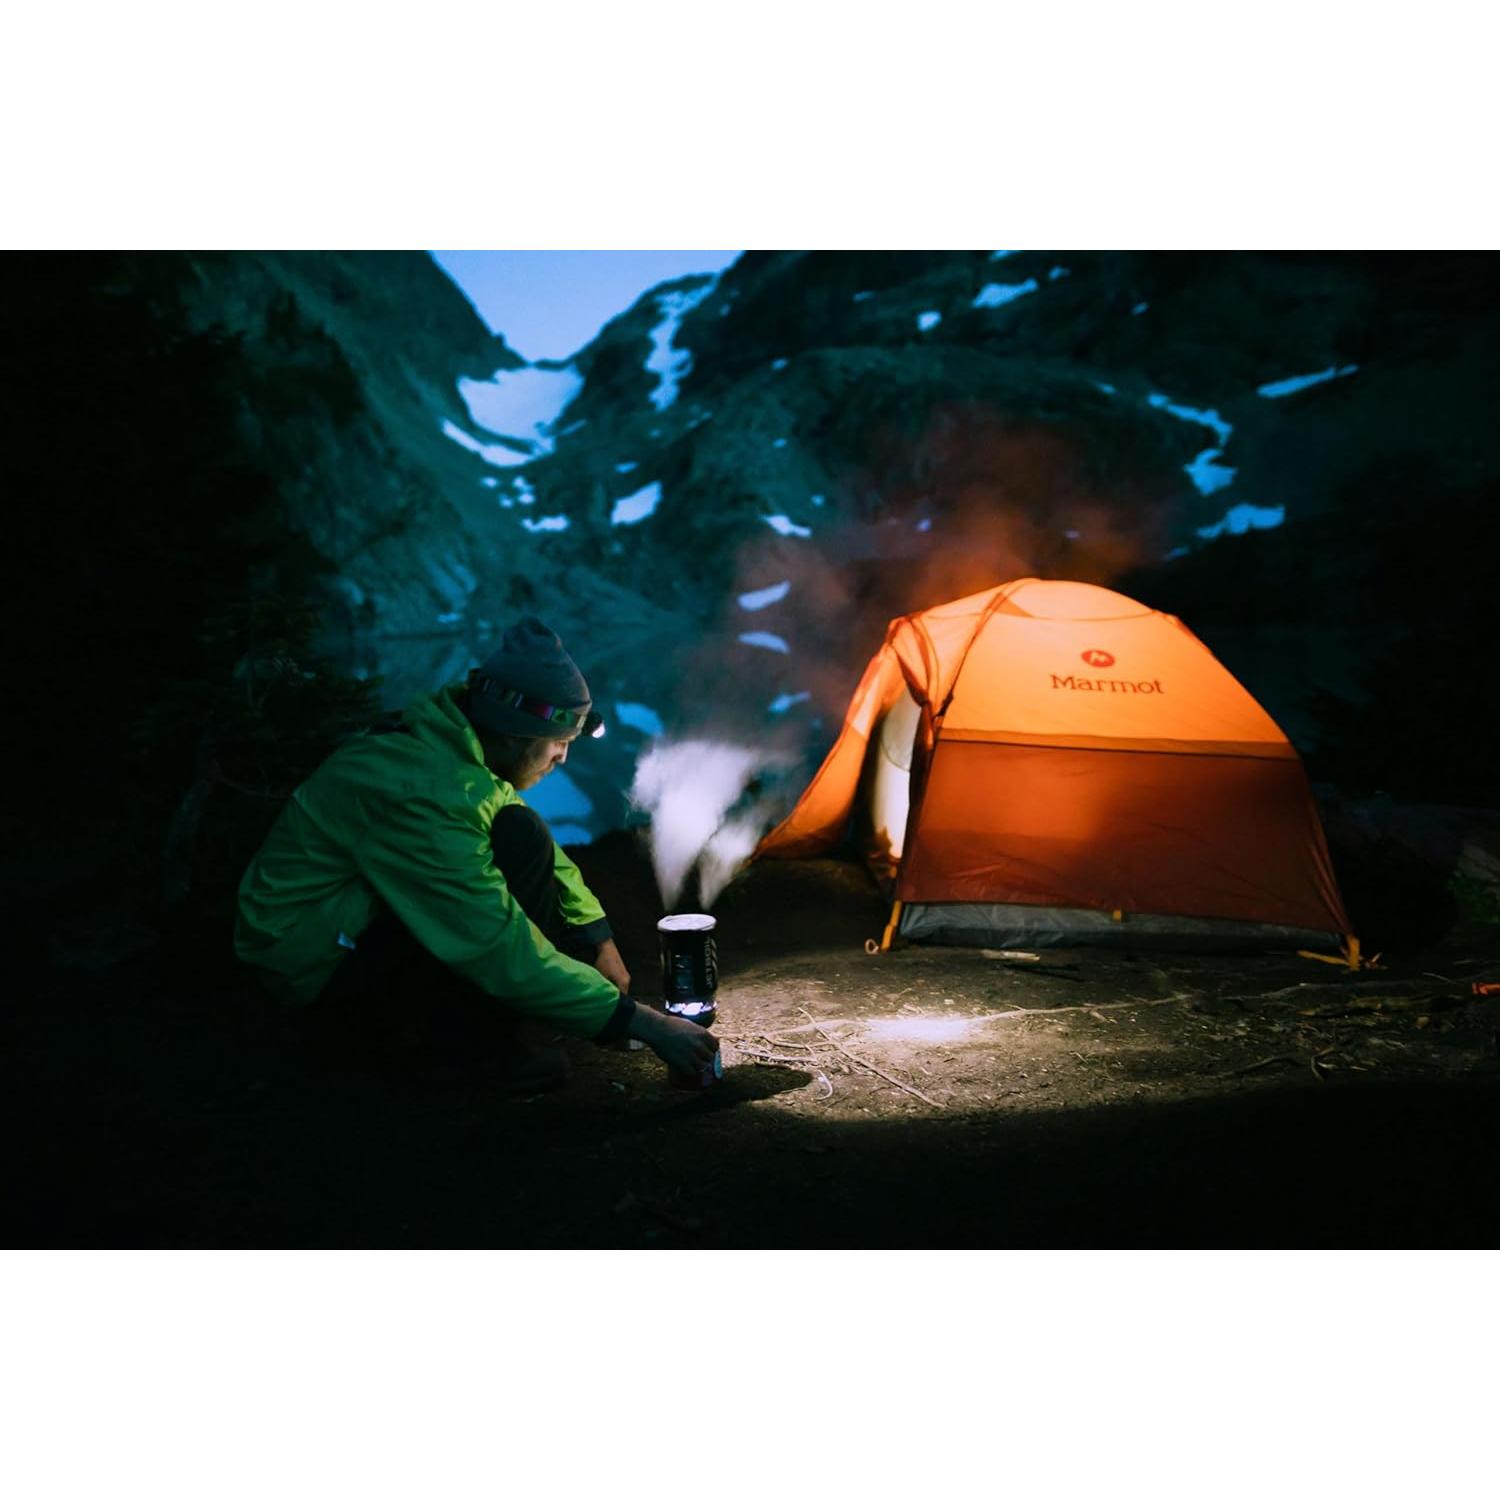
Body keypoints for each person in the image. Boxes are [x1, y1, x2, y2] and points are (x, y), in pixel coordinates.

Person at [234, 616, 719, 1091]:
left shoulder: (451, 750)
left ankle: (463, 1036)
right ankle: (462, 1055)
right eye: (557, 742)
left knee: (521, 832)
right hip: (310, 969)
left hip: (339, 925)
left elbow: (549, 856)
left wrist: (597, 939)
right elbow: (493, 942)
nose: (562, 758)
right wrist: (644, 1025)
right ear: (511, 734)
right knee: (506, 869)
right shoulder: (423, 791)